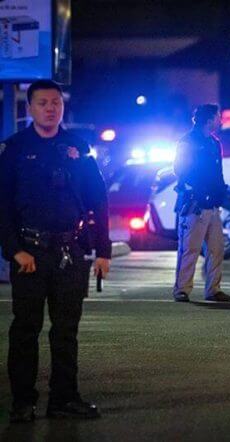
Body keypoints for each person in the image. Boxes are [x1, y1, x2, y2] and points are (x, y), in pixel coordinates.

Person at [0, 80, 111, 422]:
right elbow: (2, 205)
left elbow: (98, 198)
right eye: (43, 103)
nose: (51, 109)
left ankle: (64, 399)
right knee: (25, 330)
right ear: (30, 108)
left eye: (56, 103)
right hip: (29, 254)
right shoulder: (15, 149)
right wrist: (14, 251)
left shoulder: (77, 147)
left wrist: (103, 250)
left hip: (69, 252)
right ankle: (23, 402)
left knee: (66, 330)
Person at [172, 104, 230, 303]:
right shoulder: (188, 142)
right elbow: (181, 170)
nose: (220, 120)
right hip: (194, 204)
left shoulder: (214, 143)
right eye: (218, 116)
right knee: (190, 249)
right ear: (209, 119)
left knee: (217, 249)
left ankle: (213, 289)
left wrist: (220, 194)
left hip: (212, 205)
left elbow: (218, 173)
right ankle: (182, 289)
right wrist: (200, 191)